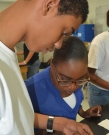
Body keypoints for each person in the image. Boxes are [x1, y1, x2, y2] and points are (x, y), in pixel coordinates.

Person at [0, 0, 91, 135]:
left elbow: (15, 119)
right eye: (64, 32)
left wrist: (61, 124)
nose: (59, 44)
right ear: (49, 5)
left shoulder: (7, 55)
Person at [25, 36, 101, 130]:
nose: (73, 87)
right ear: (52, 64)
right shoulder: (30, 90)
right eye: (65, 79)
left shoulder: (76, 79)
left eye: (80, 79)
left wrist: (84, 113)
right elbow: (22, 123)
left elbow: (73, 105)